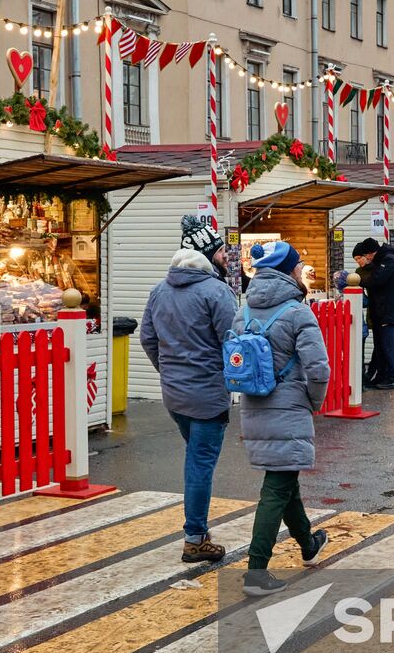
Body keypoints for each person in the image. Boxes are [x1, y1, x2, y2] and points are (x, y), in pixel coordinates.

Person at [232, 241, 331, 596]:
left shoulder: (243, 312)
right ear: (289, 271)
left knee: (285, 478)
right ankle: (256, 573)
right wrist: (313, 402)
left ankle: (308, 545)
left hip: (254, 404)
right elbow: (318, 369)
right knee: (276, 488)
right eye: (298, 265)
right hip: (289, 405)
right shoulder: (297, 312)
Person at [141, 217, 238, 563]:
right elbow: (233, 342)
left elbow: (148, 339)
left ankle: (199, 528)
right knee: (199, 463)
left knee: (195, 456)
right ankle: (195, 538)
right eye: (220, 251)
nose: (225, 256)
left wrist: (168, 370)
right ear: (205, 255)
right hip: (208, 394)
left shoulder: (159, 290)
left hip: (174, 395)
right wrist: (233, 380)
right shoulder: (216, 292)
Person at [352, 237, 394, 389]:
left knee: (388, 346)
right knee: (380, 346)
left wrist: (358, 280)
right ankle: (381, 376)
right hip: (379, 310)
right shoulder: (381, 261)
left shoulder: (388, 260)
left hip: (387, 311)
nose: (366, 259)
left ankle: (391, 378)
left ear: (371, 253)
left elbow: (376, 280)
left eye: (366, 255)